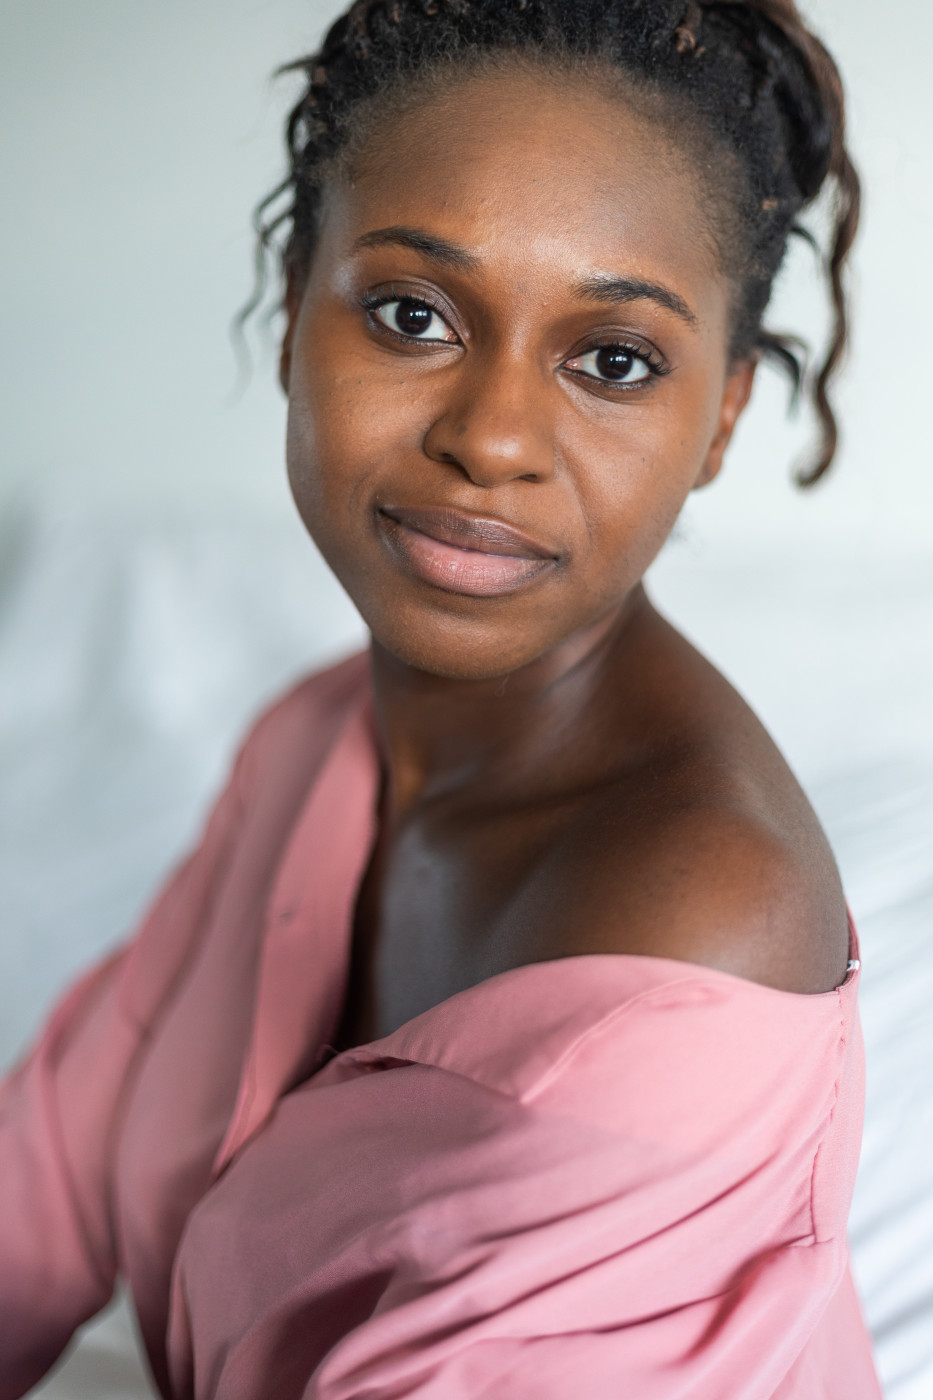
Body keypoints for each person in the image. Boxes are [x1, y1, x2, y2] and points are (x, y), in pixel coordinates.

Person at [0, 0, 884, 1395]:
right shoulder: (314, 739)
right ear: (292, 312)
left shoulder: (696, 930)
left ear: (718, 417)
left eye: (612, 360)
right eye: (413, 315)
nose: (491, 438)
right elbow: (42, 1183)